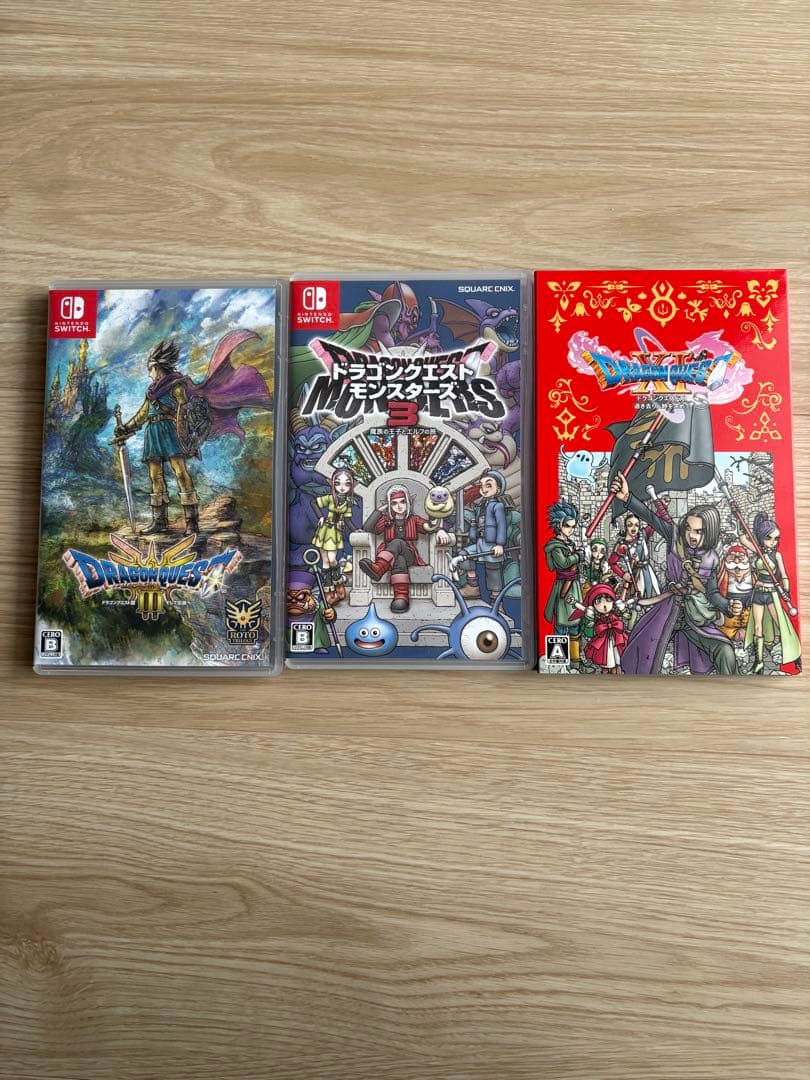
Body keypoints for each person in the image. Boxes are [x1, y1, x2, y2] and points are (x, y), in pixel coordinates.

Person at [610, 473, 739, 675]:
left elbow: (712, 592)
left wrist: (728, 606)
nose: (691, 535)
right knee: (648, 657)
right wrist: (627, 498)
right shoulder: (675, 538)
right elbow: (651, 517)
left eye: (698, 531)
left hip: (695, 617)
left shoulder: (712, 558)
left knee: (725, 651)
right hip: (668, 609)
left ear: (710, 532)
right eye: (688, 528)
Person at [741, 513, 801, 673]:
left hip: (772, 594)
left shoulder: (777, 555)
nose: (773, 542)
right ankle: (759, 662)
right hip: (758, 594)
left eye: (776, 538)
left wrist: (786, 590)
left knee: (781, 624)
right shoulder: (758, 551)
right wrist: (739, 518)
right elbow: (743, 539)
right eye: (769, 538)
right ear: (761, 537)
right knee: (757, 627)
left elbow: (784, 575)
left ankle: (794, 654)